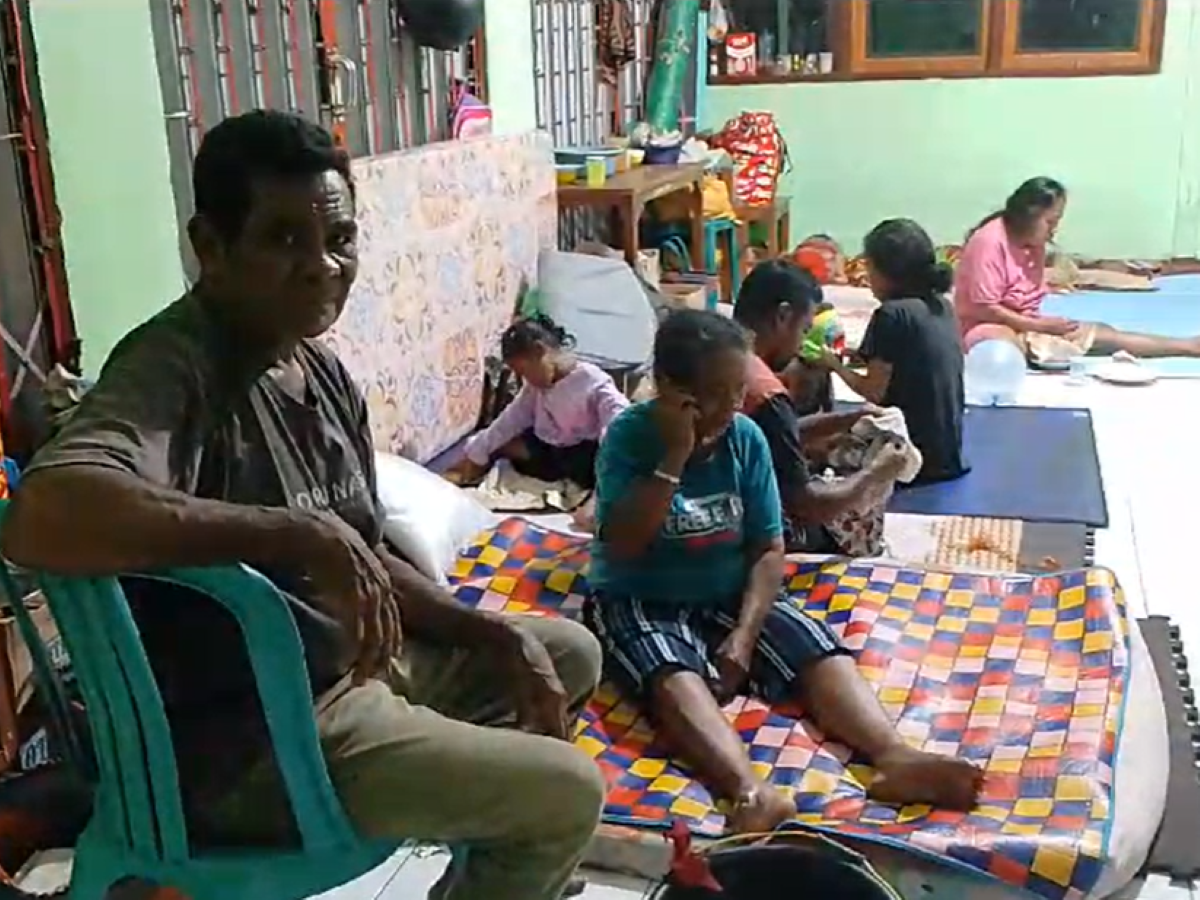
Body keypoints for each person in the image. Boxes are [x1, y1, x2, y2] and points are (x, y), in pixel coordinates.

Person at [0, 111, 604, 900]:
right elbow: (45, 512)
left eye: (340, 239)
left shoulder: (315, 370)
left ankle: (484, 866)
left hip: (349, 677)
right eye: (283, 240)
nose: (323, 266)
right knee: (564, 791)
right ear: (210, 248)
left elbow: (358, 547)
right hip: (257, 740)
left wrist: (482, 630)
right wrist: (290, 535)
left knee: (558, 653)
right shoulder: (172, 367)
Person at [586, 308, 983, 835]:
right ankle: (751, 791)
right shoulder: (629, 438)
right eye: (718, 391)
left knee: (811, 641)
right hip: (642, 592)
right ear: (669, 388)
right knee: (669, 672)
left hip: (726, 587)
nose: (732, 403)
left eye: (738, 388)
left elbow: (769, 548)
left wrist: (744, 638)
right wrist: (675, 457)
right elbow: (624, 542)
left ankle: (896, 757)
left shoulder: (744, 437)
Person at [732, 259, 907, 552]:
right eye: (803, 330)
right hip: (743, 532)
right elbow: (810, 506)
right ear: (783, 316)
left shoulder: (720, 353)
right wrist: (876, 474)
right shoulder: (766, 393)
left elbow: (769, 435)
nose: (801, 345)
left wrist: (849, 418)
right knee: (855, 520)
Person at [956, 177, 1200, 359]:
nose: (1054, 229)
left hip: (1026, 322)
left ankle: (1187, 346)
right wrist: (1037, 327)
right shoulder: (988, 242)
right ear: (1027, 216)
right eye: (1050, 221)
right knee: (1002, 349)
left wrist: (1041, 325)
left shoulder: (1034, 242)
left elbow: (1029, 299)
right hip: (985, 325)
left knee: (1105, 336)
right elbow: (985, 308)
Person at [821, 220, 969, 486]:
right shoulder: (942, 306)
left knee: (820, 443)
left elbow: (873, 391)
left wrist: (832, 364)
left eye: (870, 268)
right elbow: (907, 356)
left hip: (910, 459)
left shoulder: (890, 314)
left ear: (887, 272)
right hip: (948, 456)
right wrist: (856, 355)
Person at [447, 314, 628, 489]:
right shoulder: (535, 388)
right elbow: (512, 418)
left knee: (602, 464)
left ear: (540, 351)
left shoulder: (591, 381)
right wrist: (479, 450)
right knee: (497, 442)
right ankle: (466, 472)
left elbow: (617, 419)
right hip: (547, 450)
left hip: (580, 454)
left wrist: (611, 459)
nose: (525, 379)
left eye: (525, 371)